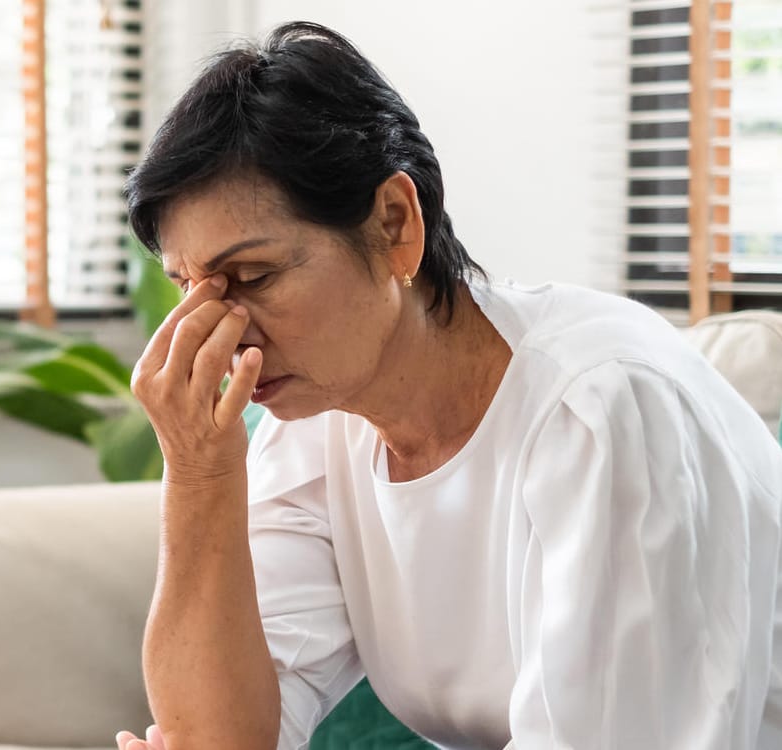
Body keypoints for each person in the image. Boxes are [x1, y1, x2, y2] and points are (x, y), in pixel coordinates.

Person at [113, 21, 782, 750]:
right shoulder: (316, 421)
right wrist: (197, 472)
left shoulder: (601, 408)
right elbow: (221, 740)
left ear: (396, 224)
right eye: (190, 288)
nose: (219, 327)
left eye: (252, 277)